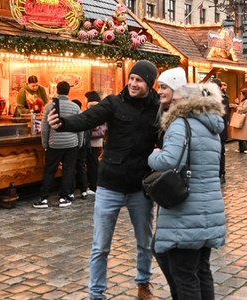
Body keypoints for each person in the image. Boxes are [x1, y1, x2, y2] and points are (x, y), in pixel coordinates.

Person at [47, 60, 160, 300]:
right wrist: (63, 123)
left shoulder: (157, 108)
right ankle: (96, 294)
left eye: (139, 80)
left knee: (144, 242)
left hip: (140, 186)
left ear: (149, 84)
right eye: (131, 78)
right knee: (101, 246)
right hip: (110, 184)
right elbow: (86, 119)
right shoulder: (113, 103)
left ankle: (143, 283)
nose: (133, 83)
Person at [148, 83, 226, 300]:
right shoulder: (212, 126)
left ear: (186, 102)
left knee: (184, 274)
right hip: (209, 206)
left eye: (176, 100)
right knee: (201, 270)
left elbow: (169, 161)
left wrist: (153, 154)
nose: (172, 103)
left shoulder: (181, 123)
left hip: (186, 211)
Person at [34, 81, 82, 209]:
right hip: (72, 143)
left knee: (50, 170)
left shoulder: (50, 106)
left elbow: (45, 127)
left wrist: (45, 143)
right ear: (68, 91)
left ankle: (44, 198)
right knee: (68, 170)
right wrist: (80, 142)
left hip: (54, 144)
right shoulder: (75, 107)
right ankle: (64, 197)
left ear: (57, 90)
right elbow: (80, 126)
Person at [156, 67, 187, 147]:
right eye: (159, 87)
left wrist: (155, 155)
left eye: (163, 87)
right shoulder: (162, 112)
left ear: (176, 89)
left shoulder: (186, 116)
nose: (159, 92)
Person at [71, 99, 91, 199]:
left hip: (75, 145)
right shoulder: (84, 117)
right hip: (84, 145)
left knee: (72, 167)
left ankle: (71, 191)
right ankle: (84, 190)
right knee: (81, 167)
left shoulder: (73, 118)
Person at [85, 91, 104, 194]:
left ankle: (94, 186)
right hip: (97, 140)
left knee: (92, 163)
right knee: (94, 162)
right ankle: (94, 185)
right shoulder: (101, 108)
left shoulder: (92, 108)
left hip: (92, 140)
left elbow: (95, 125)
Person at [211, 78, 229, 184]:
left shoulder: (224, 98)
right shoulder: (208, 97)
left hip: (220, 129)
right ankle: (214, 173)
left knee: (221, 152)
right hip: (212, 129)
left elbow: (223, 114)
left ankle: (222, 173)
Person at [232, 88, 247, 154]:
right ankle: (241, 148)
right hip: (242, 119)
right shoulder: (243, 101)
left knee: (246, 134)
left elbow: (243, 109)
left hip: (246, 119)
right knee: (240, 134)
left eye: (241, 94)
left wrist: (236, 106)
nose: (240, 95)